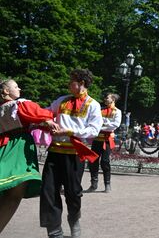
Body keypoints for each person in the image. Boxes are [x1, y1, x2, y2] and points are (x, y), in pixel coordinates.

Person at [40, 69, 102, 238]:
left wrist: (68, 131)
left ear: (81, 83)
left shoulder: (93, 105)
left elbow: (94, 130)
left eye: (72, 81)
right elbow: (46, 112)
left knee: (73, 192)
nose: (68, 84)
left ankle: (74, 218)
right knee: (49, 190)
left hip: (75, 154)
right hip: (54, 152)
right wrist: (46, 119)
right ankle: (54, 231)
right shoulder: (61, 100)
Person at [0, 79, 59, 234]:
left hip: (3, 147)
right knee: (15, 193)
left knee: (7, 189)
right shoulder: (20, 104)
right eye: (15, 86)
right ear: (6, 91)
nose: (19, 88)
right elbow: (37, 113)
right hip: (18, 148)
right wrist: (48, 119)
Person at [85, 93, 121, 193]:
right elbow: (93, 122)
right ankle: (93, 184)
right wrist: (102, 125)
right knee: (93, 161)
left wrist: (101, 125)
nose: (105, 99)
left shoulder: (117, 112)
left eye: (107, 97)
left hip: (107, 141)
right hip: (96, 140)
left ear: (113, 99)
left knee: (105, 162)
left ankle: (107, 184)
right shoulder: (100, 110)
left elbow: (115, 125)